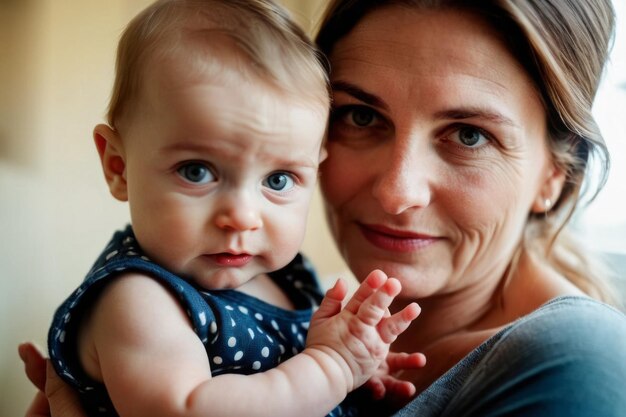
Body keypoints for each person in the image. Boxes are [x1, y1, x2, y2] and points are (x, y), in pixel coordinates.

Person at [20, 0, 626, 416]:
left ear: (555, 173)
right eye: (361, 116)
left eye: (468, 135)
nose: (396, 191)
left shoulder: (579, 362)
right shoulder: (291, 306)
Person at [24, 1, 427, 416]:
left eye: (278, 180)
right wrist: (331, 368)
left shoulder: (291, 280)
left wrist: (358, 375)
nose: (242, 216)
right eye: (197, 171)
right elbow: (189, 409)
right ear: (119, 167)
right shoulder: (137, 299)